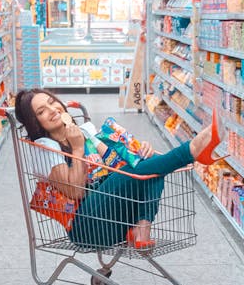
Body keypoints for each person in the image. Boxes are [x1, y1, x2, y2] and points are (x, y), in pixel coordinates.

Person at [14, 88, 220, 250]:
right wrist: (77, 147)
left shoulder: (85, 130)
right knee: (141, 171)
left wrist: (140, 150)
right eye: (41, 111)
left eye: (52, 102)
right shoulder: (45, 148)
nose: (52, 110)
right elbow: (75, 191)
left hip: (116, 216)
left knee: (145, 166)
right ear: (35, 122)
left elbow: (118, 162)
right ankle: (192, 150)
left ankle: (142, 228)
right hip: (87, 227)